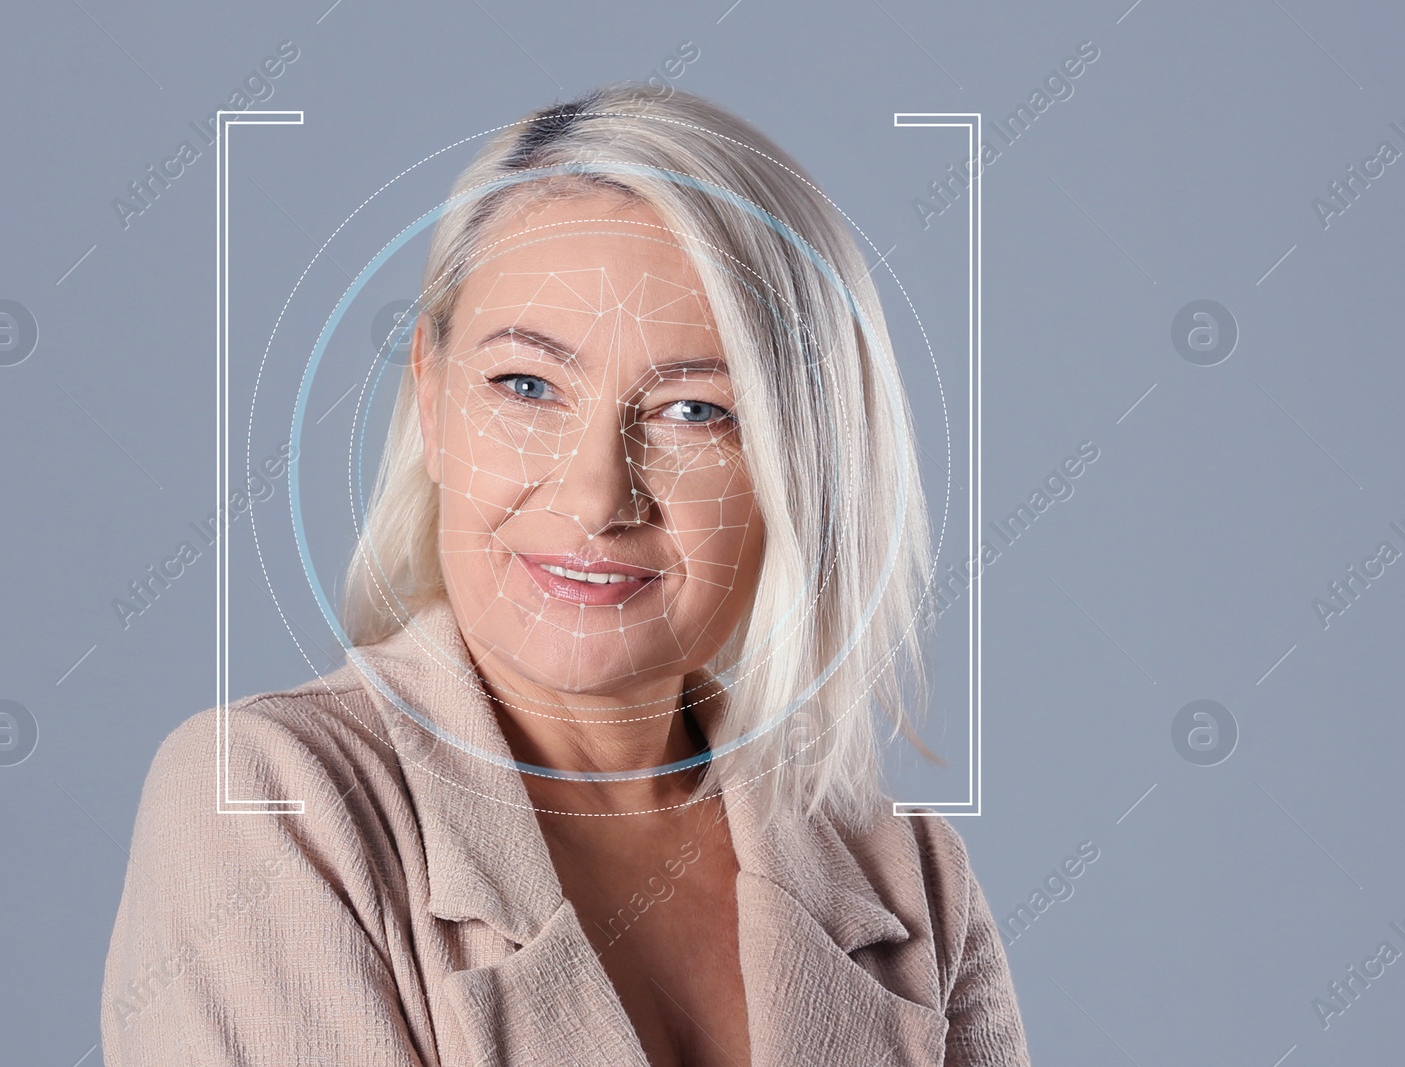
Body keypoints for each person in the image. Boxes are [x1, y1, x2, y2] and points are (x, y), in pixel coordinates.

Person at [102, 82, 1031, 1066]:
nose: (595, 497)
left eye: (692, 410)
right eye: (527, 384)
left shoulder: (909, 875)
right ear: (430, 398)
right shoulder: (272, 799)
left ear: (801, 457)